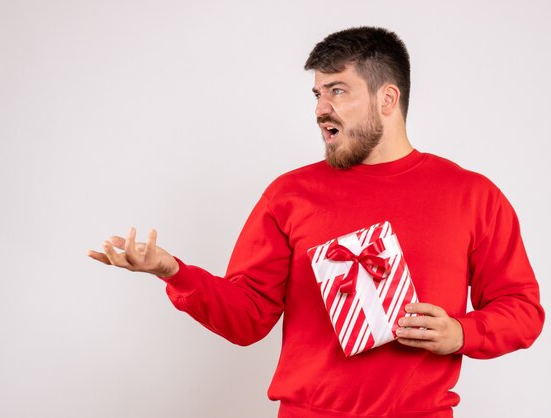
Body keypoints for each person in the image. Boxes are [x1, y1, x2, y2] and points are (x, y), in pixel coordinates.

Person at [88, 27, 544, 418]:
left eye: (337, 91)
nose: (320, 108)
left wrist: (461, 332)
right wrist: (174, 272)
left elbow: (522, 310)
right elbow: (246, 319)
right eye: (317, 93)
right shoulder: (290, 195)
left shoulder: (472, 195)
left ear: (388, 98)